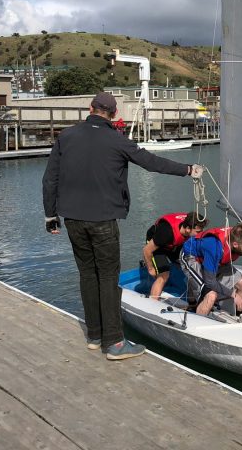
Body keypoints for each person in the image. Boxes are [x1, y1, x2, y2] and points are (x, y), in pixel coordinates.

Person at [42, 92, 204, 360]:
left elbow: (50, 179)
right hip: (103, 219)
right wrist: (187, 170)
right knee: (107, 277)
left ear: (90, 108)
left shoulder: (66, 137)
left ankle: (94, 335)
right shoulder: (118, 140)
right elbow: (152, 163)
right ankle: (115, 342)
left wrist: (50, 215)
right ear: (115, 114)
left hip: (72, 220)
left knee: (87, 275)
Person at [180, 223, 242, 316]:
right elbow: (210, 281)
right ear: (235, 245)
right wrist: (233, 294)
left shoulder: (239, 236)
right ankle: (198, 322)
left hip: (216, 261)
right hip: (192, 258)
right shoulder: (214, 246)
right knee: (211, 295)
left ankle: (239, 319)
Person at [143, 211, 207, 300]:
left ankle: (192, 301)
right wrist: (151, 268)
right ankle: (153, 302)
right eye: (198, 231)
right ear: (188, 229)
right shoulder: (166, 233)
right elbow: (146, 250)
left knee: (191, 267)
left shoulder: (190, 225)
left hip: (174, 244)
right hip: (158, 246)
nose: (200, 234)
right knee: (164, 275)